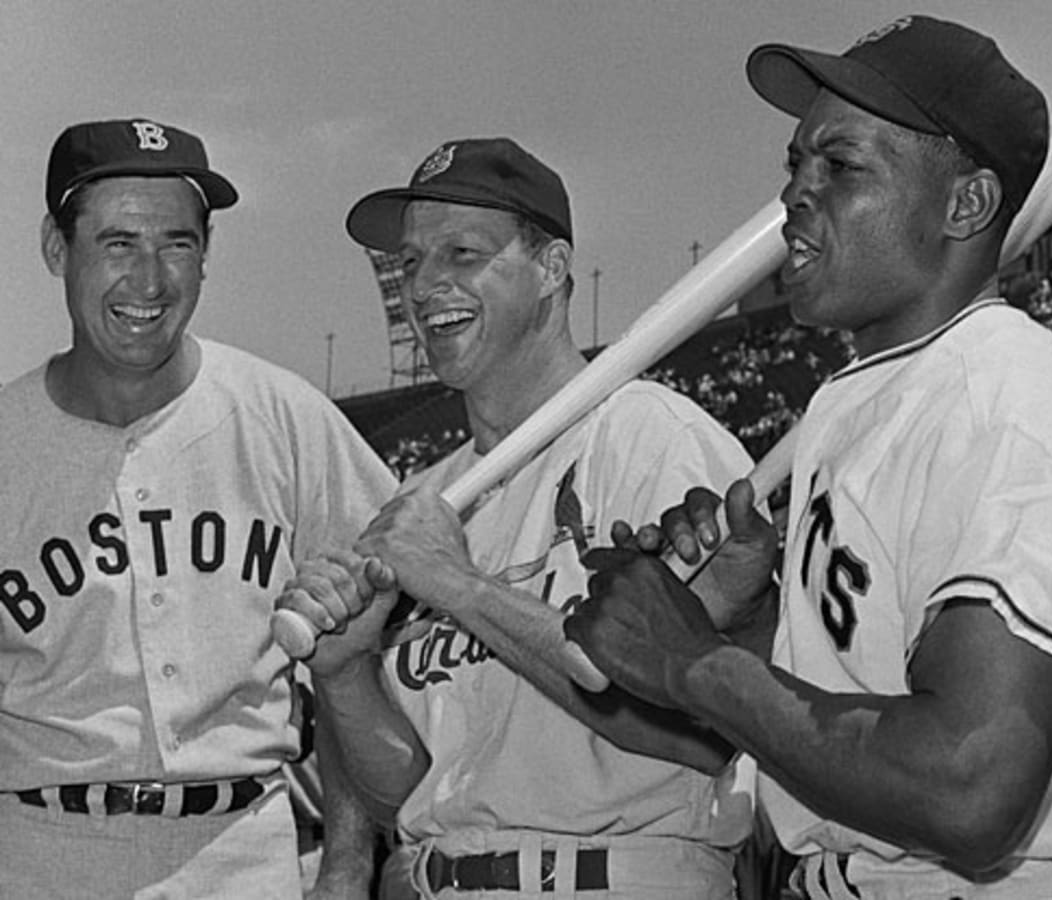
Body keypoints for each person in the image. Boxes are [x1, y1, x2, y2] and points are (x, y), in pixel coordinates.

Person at [564, 15, 1052, 899]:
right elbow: (871, 695)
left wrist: (696, 662)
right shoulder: (859, 399)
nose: (795, 196)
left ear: (966, 204)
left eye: (840, 168)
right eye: (795, 166)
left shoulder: (1009, 400)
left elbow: (971, 784)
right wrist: (751, 618)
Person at [277, 137, 765, 899]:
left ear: (552, 268)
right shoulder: (421, 500)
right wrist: (343, 673)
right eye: (411, 262)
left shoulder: (652, 441)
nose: (426, 283)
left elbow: (705, 729)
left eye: (463, 252)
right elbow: (404, 792)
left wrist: (463, 587)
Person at [0, 118, 396, 898]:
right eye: (118, 244)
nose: (150, 281)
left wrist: (349, 861)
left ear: (206, 255)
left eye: (177, 244)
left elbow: (361, 653)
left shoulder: (286, 416)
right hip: (41, 852)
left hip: (244, 848)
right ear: (57, 248)